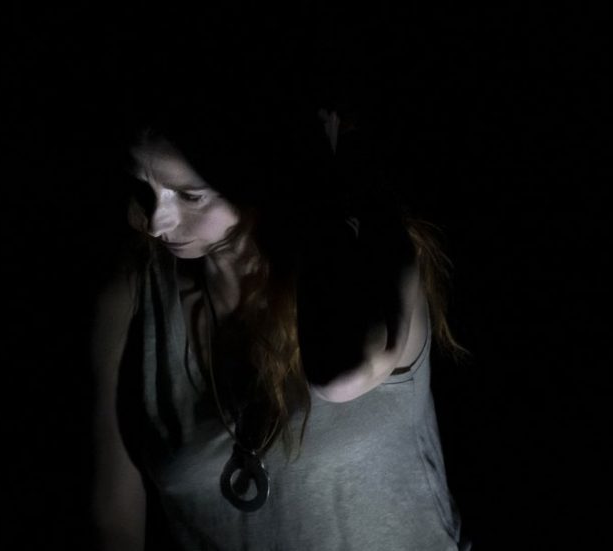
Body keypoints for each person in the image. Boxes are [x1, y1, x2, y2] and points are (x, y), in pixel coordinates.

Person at [87, 89, 472, 550]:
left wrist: (316, 182)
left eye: (191, 195)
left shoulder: (369, 255)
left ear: (255, 175)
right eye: (144, 188)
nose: (156, 221)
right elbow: (114, 516)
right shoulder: (132, 296)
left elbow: (344, 374)